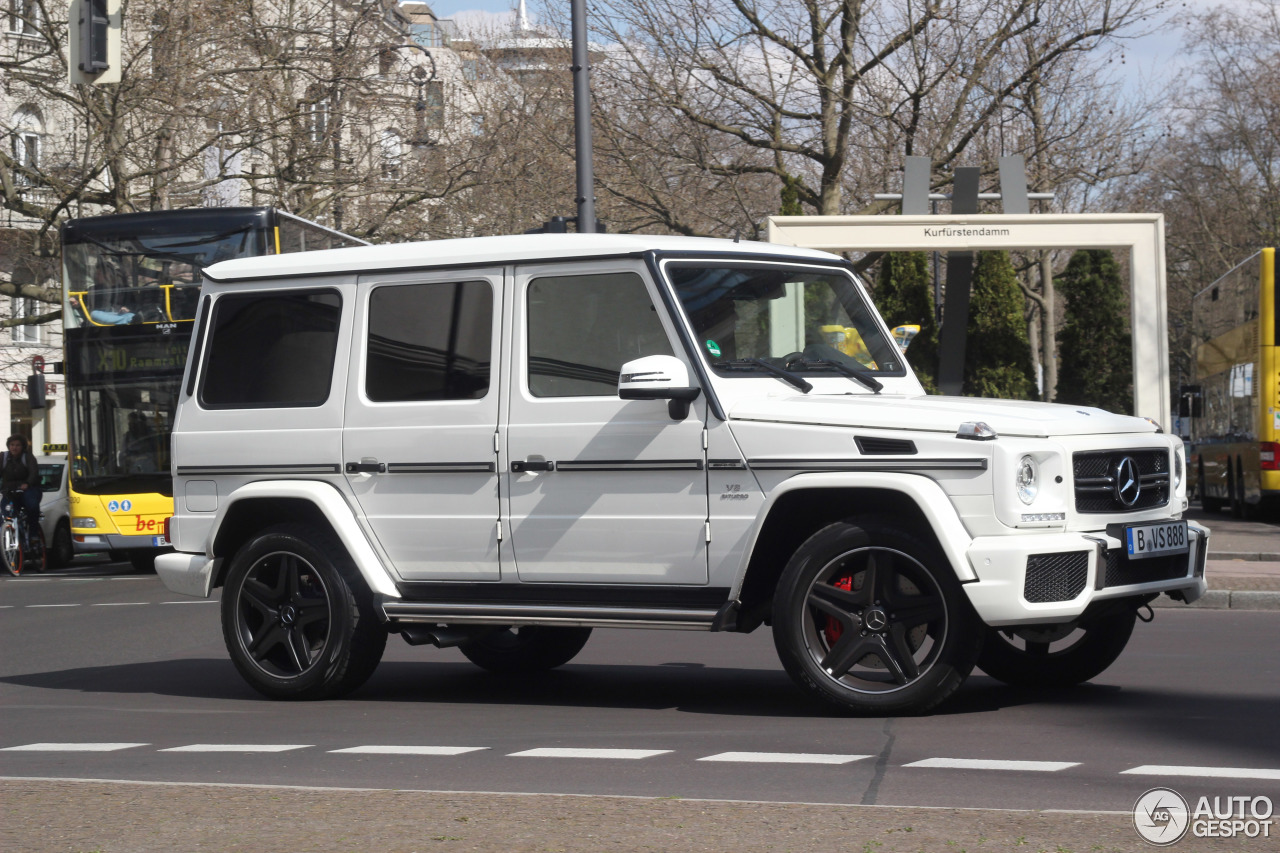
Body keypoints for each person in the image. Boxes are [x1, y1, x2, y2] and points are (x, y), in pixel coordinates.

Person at [1, 435, 41, 523]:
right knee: (4, 512)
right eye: (12, 445)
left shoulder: (28, 457)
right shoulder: (3, 457)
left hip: (28, 489)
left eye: (17, 445)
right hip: (9, 491)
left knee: (32, 506)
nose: (14, 448)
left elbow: (33, 472)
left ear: (23, 447)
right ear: (8, 446)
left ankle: (33, 533)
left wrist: (27, 483)